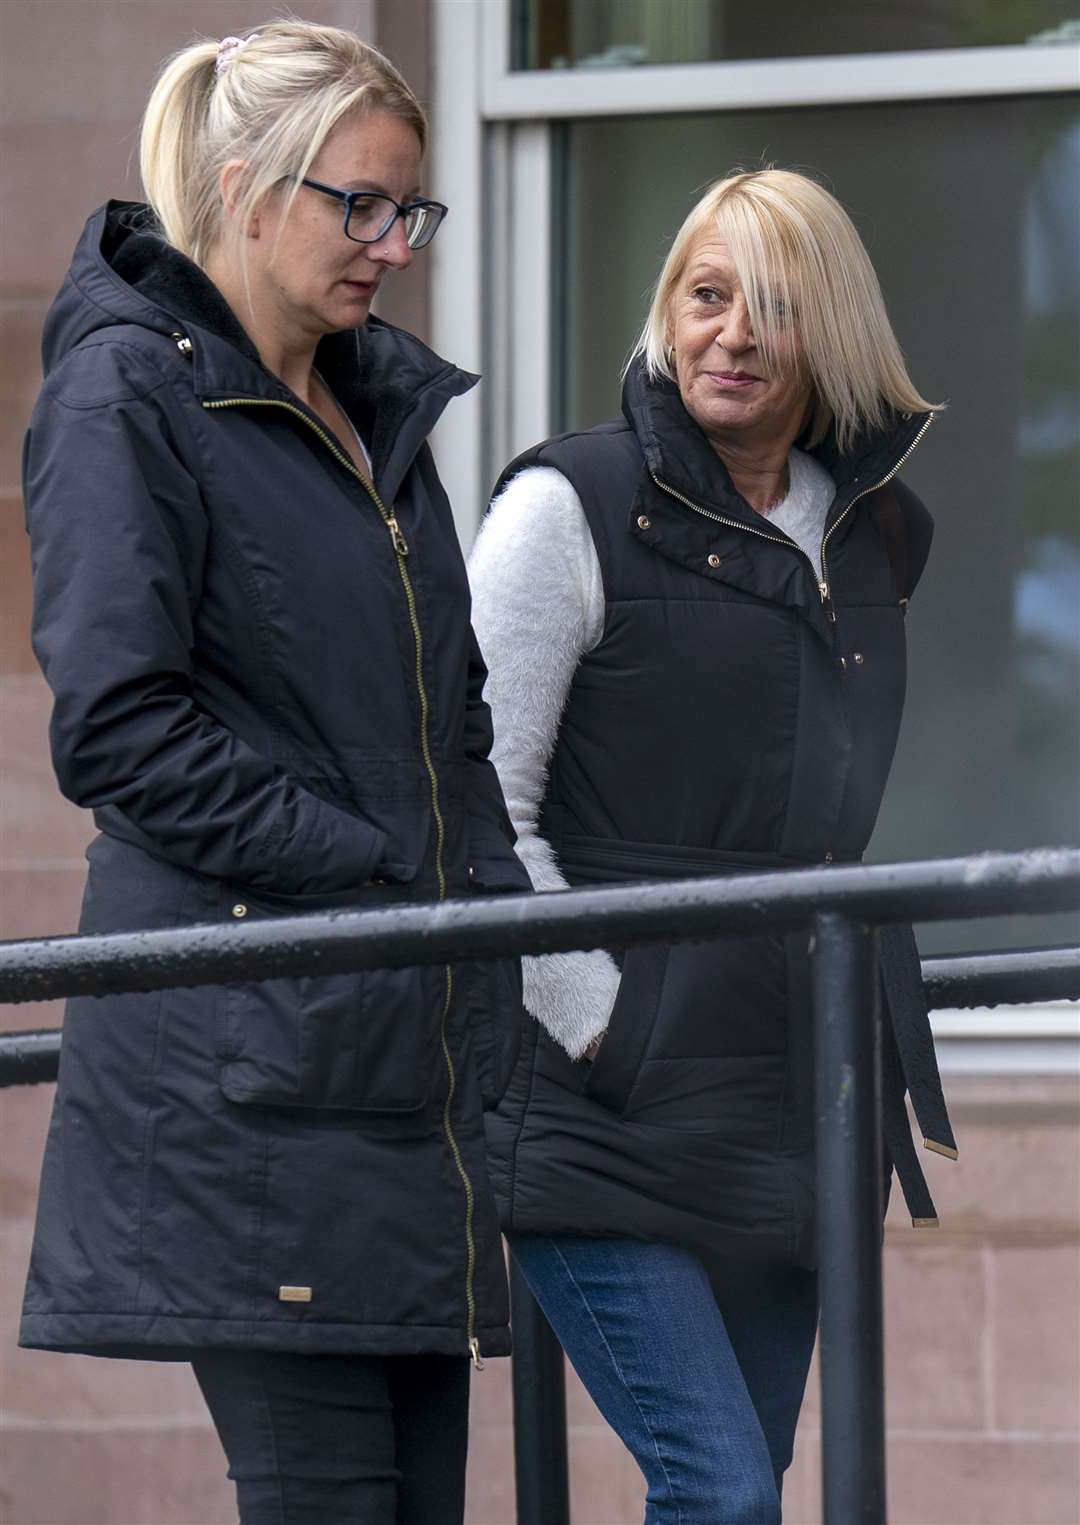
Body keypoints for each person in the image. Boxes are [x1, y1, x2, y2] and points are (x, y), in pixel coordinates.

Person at [19, 21, 529, 1525]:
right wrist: (378, 872)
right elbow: (115, 730)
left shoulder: (374, 410)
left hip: (400, 1067)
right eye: (357, 205)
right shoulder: (127, 397)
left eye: (410, 211)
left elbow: (458, 724)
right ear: (245, 188)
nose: (393, 246)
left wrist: (493, 912)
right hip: (254, 1080)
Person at [468, 168, 958, 1524]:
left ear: (833, 338)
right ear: (665, 317)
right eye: (705, 294)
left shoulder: (872, 543)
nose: (732, 333)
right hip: (599, 1106)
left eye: (774, 306)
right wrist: (602, 1024)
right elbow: (476, 811)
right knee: (723, 1485)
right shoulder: (567, 508)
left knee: (759, 1480)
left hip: (790, 1102)